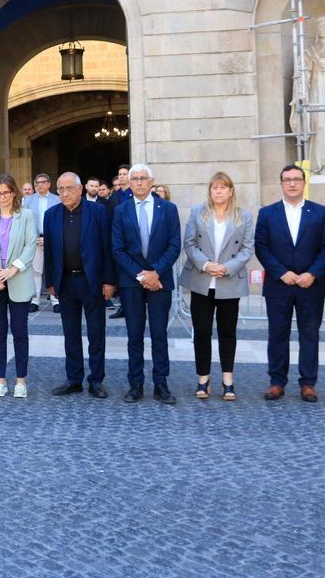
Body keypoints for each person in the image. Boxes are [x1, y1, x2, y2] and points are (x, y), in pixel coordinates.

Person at [254, 164, 325, 402]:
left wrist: (313, 273)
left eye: (296, 179)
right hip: (279, 285)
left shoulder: (319, 212)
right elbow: (262, 246)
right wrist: (281, 273)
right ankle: (277, 382)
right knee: (278, 334)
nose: (292, 183)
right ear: (281, 183)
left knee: (309, 334)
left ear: (304, 182)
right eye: (287, 179)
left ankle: (308, 383)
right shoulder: (267, 213)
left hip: (311, 285)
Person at [181, 173, 254, 401]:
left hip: (229, 281)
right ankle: (203, 379)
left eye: (223, 187)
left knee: (227, 332)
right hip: (202, 280)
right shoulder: (197, 213)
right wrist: (205, 264)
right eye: (214, 188)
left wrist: (227, 267)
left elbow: (247, 248)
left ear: (231, 190)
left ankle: (227, 380)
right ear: (209, 191)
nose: (218, 191)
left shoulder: (244, 216)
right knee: (201, 332)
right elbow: (189, 244)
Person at [112, 163, 182, 404]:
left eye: (143, 178)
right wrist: (142, 275)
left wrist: (156, 273)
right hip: (132, 282)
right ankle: (135, 385)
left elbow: (175, 245)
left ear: (152, 182)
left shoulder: (168, 209)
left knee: (159, 334)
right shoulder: (121, 211)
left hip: (160, 282)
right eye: (135, 179)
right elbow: (118, 249)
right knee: (134, 335)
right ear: (129, 184)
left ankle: (161, 384)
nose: (139, 182)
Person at [45, 172, 115, 399]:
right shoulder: (51, 215)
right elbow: (49, 252)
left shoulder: (98, 212)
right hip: (65, 282)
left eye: (69, 188)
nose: (64, 193)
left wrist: (109, 280)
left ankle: (96, 380)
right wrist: (50, 282)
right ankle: (74, 378)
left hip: (92, 281)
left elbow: (107, 247)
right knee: (70, 333)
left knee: (96, 332)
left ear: (81, 189)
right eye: (60, 189)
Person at [0, 174, 37, 398]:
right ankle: (0, 379)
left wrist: (13, 269)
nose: (1, 197)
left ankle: (21, 380)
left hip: (18, 278)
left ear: (14, 193)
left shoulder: (27, 216)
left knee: (20, 331)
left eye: (6, 192)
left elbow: (30, 245)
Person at [23, 173, 59, 314]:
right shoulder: (28, 201)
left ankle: (56, 300)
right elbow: (25, 222)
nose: (40, 185)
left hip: (53, 240)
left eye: (43, 182)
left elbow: (59, 222)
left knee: (54, 270)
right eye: (37, 183)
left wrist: (49, 238)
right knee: (35, 271)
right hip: (35, 239)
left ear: (49, 184)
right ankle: (34, 301)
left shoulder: (57, 199)